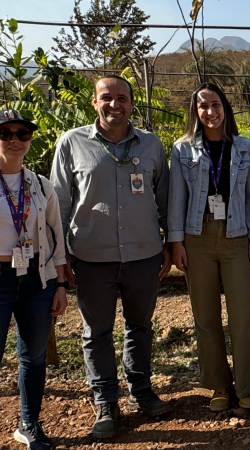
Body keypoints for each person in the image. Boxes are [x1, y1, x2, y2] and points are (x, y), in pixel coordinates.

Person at [50, 75, 172, 439]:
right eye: (107, 98)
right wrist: (62, 255)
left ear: (133, 104)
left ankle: (141, 390)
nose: (114, 105)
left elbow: (164, 198)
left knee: (140, 326)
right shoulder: (72, 143)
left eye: (122, 98)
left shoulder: (151, 145)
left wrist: (169, 243)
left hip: (143, 254)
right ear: (94, 102)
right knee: (96, 332)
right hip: (91, 256)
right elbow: (59, 203)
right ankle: (105, 400)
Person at [168, 83, 250, 411]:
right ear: (195, 112)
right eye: (203, 106)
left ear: (226, 107)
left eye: (216, 105)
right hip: (198, 238)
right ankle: (219, 386)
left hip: (236, 236)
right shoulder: (182, 150)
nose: (210, 112)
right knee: (205, 317)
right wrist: (176, 241)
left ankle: (247, 386)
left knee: (243, 318)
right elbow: (177, 198)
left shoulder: (246, 147)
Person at [0, 110, 68, 450]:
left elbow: (56, 235)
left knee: (34, 356)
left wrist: (60, 283)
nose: (14, 139)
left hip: (36, 278)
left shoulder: (41, 184)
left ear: (29, 140)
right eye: (6, 132)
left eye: (22, 134)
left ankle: (29, 423)